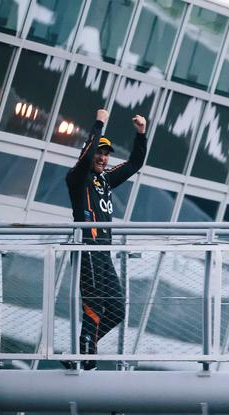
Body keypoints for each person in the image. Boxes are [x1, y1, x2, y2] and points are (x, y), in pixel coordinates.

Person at [65, 109, 147, 369]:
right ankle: (86, 361)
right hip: (86, 248)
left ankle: (82, 349)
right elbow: (86, 155)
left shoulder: (105, 180)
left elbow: (135, 163)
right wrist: (98, 123)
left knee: (116, 309)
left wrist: (141, 134)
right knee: (94, 305)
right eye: (99, 152)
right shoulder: (77, 177)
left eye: (106, 153)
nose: (102, 157)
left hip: (103, 252)